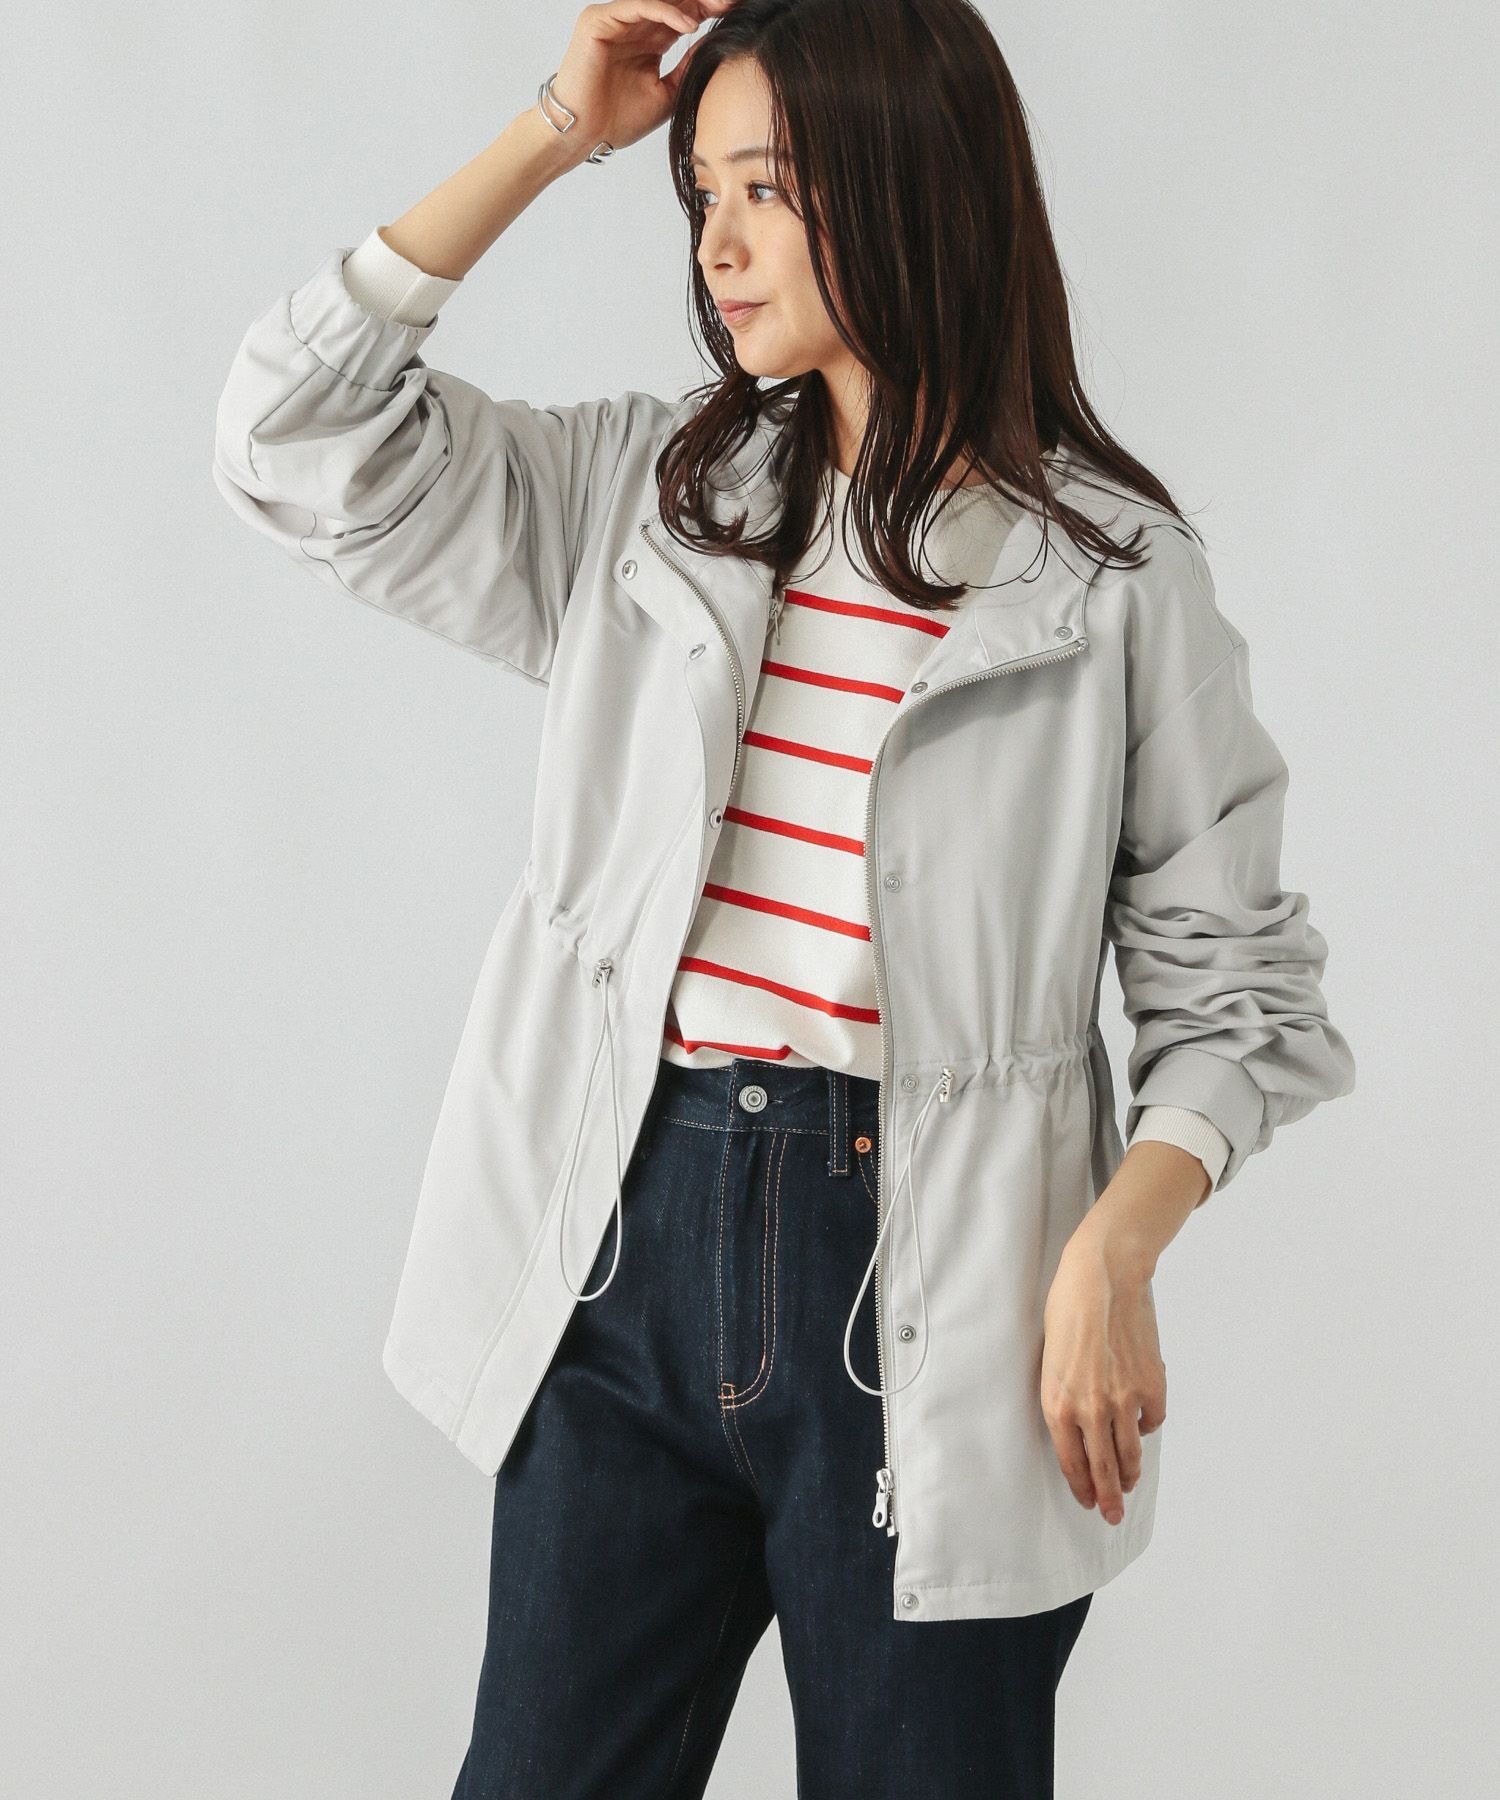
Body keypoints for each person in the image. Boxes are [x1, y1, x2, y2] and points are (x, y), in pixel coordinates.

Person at [212, 1, 1357, 1792]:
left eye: (765, 187)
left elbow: (1240, 995)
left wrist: (1112, 1249)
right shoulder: (652, 500)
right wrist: (554, 129)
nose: (715, 243)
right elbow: (293, 440)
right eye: (699, 192)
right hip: (624, 1246)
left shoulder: (1111, 579)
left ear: (907, 181)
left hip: (938, 1294)